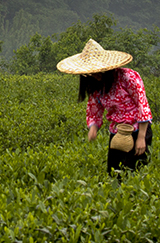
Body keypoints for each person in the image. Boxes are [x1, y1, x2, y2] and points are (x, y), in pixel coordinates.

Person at [57, 39, 153, 172]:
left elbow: (142, 105)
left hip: (137, 129)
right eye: (91, 73)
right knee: (114, 173)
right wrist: (93, 128)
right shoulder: (96, 86)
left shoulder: (128, 77)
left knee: (136, 171)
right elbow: (94, 110)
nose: (95, 75)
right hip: (117, 131)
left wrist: (141, 138)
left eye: (98, 71)